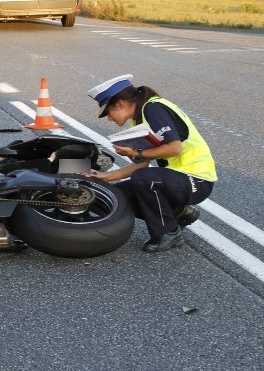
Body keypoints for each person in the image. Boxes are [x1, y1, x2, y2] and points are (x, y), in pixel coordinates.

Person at [87, 74, 217, 252]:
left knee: (143, 179)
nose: (109, 119)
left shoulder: (153, 109)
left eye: (108, 113)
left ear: (120, 104)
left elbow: (174, 148)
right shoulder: (138, 118)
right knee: (118, 194)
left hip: (197, 179)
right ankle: (179, 213)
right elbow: (142, 164)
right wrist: (107, 177)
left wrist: (136, 152)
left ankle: (168, 234)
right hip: (175, 178)